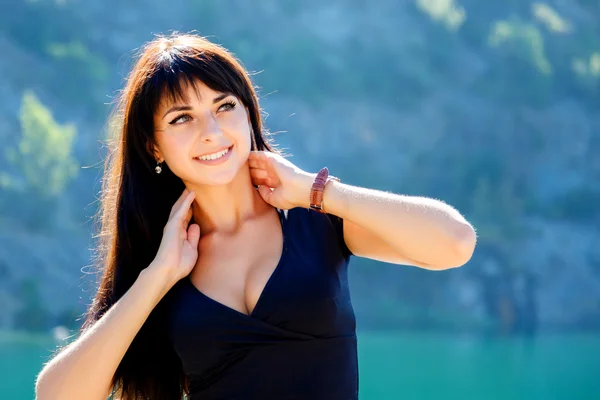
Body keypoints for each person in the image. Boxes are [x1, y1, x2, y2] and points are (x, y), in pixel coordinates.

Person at [35, 32, 477, 400]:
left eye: (224, 106)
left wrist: (317, 190)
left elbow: (455, 243)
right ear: (153, 147)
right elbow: (56, 395)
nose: (211, 132)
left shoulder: (316, 216)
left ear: (248, 113)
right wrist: (158, 276)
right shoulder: (164, 259)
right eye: (182, 118)